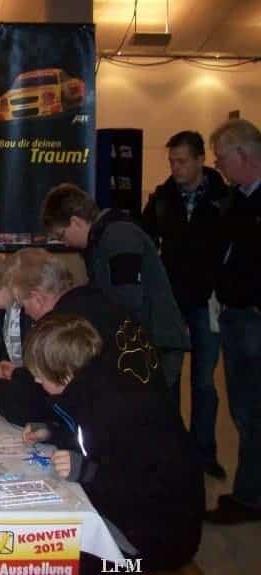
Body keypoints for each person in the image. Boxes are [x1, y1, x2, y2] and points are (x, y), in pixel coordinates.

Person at [21, 314, 203, 572]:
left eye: (39, 375)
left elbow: (145, 483)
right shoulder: (98, 388)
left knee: (46, 556)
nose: (36, 381)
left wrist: (86, 471)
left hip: (154, 541)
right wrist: (52, 433)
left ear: (66, 372)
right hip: (140, 518)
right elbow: (93, 441)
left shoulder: (115, 408)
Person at [0, 248, 167, 427]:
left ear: (37, 297)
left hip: (125, 436)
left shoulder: (64, 326)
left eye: (23, 304)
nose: (26, 313)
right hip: (153, 419)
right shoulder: (96, 302)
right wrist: (19, 373)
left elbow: (42, 407)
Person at [41, 183, 190, 402]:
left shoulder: (119, 236)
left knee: (156, 413)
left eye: (62, 236)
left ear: (75, 221)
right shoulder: (104, 237)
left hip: (156, 342)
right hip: (144, 341)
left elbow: (127, 298)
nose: (65, 243)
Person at [141, 130, 230, 479]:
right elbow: (145, 240)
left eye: (181, 161)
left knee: (204, 383)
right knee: (169, 378)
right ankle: (174, 448)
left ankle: (204, 451)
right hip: (171, 303)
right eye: (171, 161)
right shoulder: (162, 199)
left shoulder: (224, 199)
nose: (175, 167)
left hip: (207, 301)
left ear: (199, 160)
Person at [203, 119, 261, 524]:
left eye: (222, 158)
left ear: (243, 155)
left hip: (252, 318)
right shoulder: (238, 199)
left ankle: (250, 497)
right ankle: (249, 490)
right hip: (236, 315)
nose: (218, 165)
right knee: (245, 410)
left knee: (252, 410)